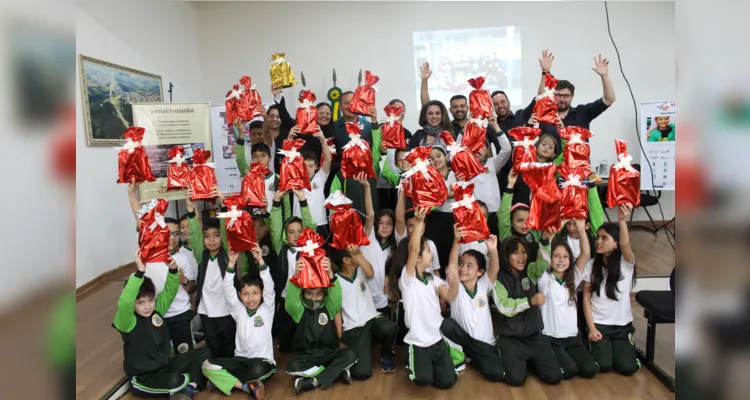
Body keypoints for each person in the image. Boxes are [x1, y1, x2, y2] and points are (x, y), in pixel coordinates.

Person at [113, 251, 211, 399]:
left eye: (150, 300)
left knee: (205, 352)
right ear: (133, 302)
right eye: (140, 302)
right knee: (174, 380)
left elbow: (169, 292)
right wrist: (139, 272)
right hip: (144, 377)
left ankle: (190, 386)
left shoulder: (156, 311)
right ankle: (191, 382)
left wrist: (172, 270)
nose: (147, 306)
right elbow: (125, 302)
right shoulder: (126, 322)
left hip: (166, 366)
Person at [126, 182, 197, 354]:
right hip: (155, 315)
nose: (172, 238)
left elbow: (192, 288)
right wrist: (131, 193)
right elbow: (140, 219)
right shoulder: (149, 254)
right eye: (168, 233)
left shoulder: (183, 258)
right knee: (162, 354)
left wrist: (183, 280)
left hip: (180, 315)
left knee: (185, 354)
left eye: (176, 234)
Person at [396, 207, 460, 389]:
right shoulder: (408, 280)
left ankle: (447, 355)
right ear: (417, 258)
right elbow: (414, 249)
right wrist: (418, 221)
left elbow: (450, 295)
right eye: (428, 252)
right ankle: (413, 362)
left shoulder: (433, 279)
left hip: (437, 341)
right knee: (423, 380)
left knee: (448, 382)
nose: (432, 254)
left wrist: (453, 281)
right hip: (417, 343)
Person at [201, 246, 275, 399]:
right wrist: (231, 264)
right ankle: (247, 387)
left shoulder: (267, 310)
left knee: (256, 371)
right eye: (246, 294)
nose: (251, 298)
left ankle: (225, 382)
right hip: (239, 360)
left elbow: (269, 286)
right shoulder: (238, 310)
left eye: (255, 293)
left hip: (262, 362)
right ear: (240, 296)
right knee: (207, 365)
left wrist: (260, 260)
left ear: (261, 294)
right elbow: (228, 290)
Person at [493, 231, 564, 386]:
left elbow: (543, 262)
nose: (521, 256)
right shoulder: (498, 279)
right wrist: (530, 301)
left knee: (555, 376)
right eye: (515, 253)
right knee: (516, 379)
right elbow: (503, 306)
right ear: (505, 256)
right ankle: (510, 355)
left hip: (533, 337)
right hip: (510, 339)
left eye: (524, 252)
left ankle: (529, 360)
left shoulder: (530, 271)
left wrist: (545, 241)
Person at [285, 258, 358, 395]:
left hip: (329, 354)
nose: (314, 298)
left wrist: (330, 274)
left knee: (351, 354)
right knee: (292, 365)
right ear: (303, 294)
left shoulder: (330, 307)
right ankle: (336, 373)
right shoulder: (298, 309)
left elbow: (336, 297)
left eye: (319, 293)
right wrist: (296, 276)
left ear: (324, 294)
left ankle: (313, 380)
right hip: (306, 356)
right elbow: (290, 301)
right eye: (309, 293)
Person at [583, 203, 641, 376]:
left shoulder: (626, 264)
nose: (599, 241)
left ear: (615, 244)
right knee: (604, 365)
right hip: (600, 325)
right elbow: (586, 298)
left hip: (622, 325)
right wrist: (592, 328)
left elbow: (626, 244)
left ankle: (630, 353)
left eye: (604, 238)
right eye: (598, 238)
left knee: (628, 368)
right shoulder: (591, 265)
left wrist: (622, 220)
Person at [440, 228, 504, 382]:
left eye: (469, 266)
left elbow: (494, 268)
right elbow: (452, 269)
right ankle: (461, 356)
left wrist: (493, 251)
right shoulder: (455, 288)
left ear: (480, 272)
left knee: (496, 374)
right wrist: (456, 241)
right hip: (465, 340)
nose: (463, 268)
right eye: (461, 264)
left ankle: (474, 358)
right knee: (446, 324)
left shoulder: (483, 285)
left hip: (484, 344)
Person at [539, 219, 599, 379]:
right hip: (551, 338)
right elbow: (543, 255)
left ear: (570, 260)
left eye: (565, 257)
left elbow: (586, 253)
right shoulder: (544, 278)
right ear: (550, 259)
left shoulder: (574, 277)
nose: (561, 260)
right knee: (569, 371)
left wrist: (581, 228)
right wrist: (550, 236)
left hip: (572, 337)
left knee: (590, 370)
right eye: (556, 256)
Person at [332, 239, 398, 378]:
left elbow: (371, 272)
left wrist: (358, 255)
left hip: (372, 319)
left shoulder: (361, 270)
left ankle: (386, 354)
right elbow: (336, 312)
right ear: (346, 260)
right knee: (362, 373)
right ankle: (353, 356)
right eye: (354, 254)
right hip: (354, 328)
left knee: (389, 327)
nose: (360, 254)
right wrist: (339, 339)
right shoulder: (336, 282)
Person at [185, 188, 237, 359]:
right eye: (207, 236)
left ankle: (228, 369)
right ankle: (215, 371)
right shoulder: (202, 254)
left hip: (227, 310)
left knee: (229, 343)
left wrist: (223, 205)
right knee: (212, 343)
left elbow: (225, 231)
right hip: (207, 310)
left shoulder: (227, 253)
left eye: (216, 236)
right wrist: (190, 209)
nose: (212, 240)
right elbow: (194, 235)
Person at [268, 189, 317, 353]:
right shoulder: (280, 247)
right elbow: (275, 226)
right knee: (286, 345)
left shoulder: (308, 247)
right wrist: (276, 200)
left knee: (304, 339)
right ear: (285, 235)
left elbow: (310, 224)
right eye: (291, 232)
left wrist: (302, 199)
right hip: (284, 299)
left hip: (303, 299)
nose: (296, 235)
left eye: (299, 232)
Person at [537, 50, 616, 130]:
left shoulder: (582, 112)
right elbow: (540, 97)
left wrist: (605, 76)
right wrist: (545, 72)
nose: (561, 99)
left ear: (572, 96)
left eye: (565, 96)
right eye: (557, 95)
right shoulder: (545, 112)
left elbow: (609, 99)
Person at [329, 105, 382, 217]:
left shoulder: (372, 170)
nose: (357, 156)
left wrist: (374, 122)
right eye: (352, 152)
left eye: (360, 152)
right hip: (350, 225)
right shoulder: (340, 176)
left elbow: (376, 150)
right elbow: (333, 205)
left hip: (372, 223)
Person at [463, 134, 512, 236]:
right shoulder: (464, 166)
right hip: (474, 213)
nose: (478, 150)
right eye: (474, 146)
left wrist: (495, 126)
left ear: (487, 149)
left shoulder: (493, 163)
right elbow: (456, 150)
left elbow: (507, 149)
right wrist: (468, 127)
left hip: (493, 212)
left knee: (494, 242)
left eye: (481, 146)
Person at [290, 129, 331, 239]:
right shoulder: (294, 178)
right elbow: (287, 159)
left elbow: (328, 159)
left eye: (311, 166)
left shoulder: (320, 177)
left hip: (319, 224)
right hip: (299, 225)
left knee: (321, 255)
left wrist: (323, 139)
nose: (307, 169)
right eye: (304, 166)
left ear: (317, 166)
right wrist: (289, 137)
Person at [424, 146, 457, 269]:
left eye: (438, 156)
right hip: (435, 218)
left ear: (446, 157)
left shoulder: (455, 174)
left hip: (453, 217)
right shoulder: (429, 177)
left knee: (451, 251)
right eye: (431, 158)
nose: (436, 160)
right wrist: (448, 194)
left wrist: (441, 195)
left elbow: (462, 192)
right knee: (436, 250)